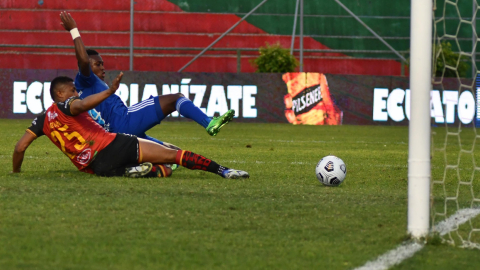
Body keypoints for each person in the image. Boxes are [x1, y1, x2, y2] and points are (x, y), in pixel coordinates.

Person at [12, 74, 249, 180]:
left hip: (97, 168)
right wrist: (109, 91)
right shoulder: (69, 103)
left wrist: (16, 173)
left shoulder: (42, 119)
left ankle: (139, 171)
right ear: (60, 94)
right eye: (72, 90)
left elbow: (20, 147)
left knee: (163, 170)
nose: (76, 92)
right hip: (114, 145)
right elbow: (82, 103)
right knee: (172, 156)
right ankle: (224, 171)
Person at [59, 11, 234, 146]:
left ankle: (165, 161)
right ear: (88, 67)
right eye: (98, 64)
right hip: (125, 121)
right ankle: (209, 123)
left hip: (115, 134)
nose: (103, 67)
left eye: (103, 64)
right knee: (176, 98)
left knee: (170, 151)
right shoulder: (84, 79)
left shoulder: (87, 88)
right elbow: (82, 59)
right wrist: (74, 30)